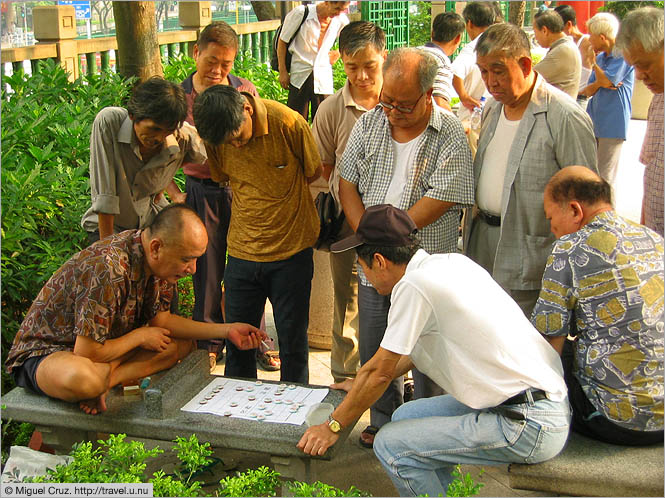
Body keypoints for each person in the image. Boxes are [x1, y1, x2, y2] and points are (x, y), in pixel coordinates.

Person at [297, 205, 570, 498]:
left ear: (379, 261)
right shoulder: (450, 263)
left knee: (390, 445)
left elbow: (381, 372)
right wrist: (358, 384)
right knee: (406, 417)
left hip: (527, 423)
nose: (364, 275)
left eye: (362, 266)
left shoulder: (414, 286)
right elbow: (401, 357)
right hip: (538, 405)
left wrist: (333, 425)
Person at [6, 204, 265, 415]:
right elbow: (87, 352)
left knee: (181, 346)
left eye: (196, 259)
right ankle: (99, 384)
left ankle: (108, 380)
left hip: (104, 352)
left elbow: (163, 321)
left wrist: (227, 329)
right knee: (86, 379)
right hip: (48, 354)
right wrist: (139, 337)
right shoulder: (108, 267)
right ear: (156, 247)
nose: (193, 269)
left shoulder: (159, 264)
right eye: (187, 259)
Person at [339, 47, 474, 448]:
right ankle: (382, 419)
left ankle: (428, 422)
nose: (393, 111)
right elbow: (347, 182)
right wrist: (366, 230)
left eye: (404, 104)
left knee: (427, 346)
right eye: (388, 101)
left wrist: (392, 232)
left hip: (424, 261)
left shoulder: (448, 131)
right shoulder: (370, 125)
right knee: (376, 342)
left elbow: (444, 196)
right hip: (376, 260)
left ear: (428, 94)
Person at [465, 23, 597, 318]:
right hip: (482, 239)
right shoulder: (492, 109)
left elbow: (588, 202)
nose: (490, 82)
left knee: (521, 342)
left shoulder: (562, 115)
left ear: (525, 65)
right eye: (483, 72)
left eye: (498, 71)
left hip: (531, 251)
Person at [193, 85, 321, 384]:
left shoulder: (288, 123)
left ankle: (292, 418)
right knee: (238, 344)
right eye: (227, 142)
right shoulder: (217, 133)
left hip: (292, 252)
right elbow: (222, 174)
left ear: (247, 109)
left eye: (237, 137)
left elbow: (313, 172)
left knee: (293, 344)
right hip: (241, 254)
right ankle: (239, 418)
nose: (235, 146)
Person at [532, 166, 663, 446]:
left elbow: (548, 342)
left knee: (538, 351)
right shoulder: (653, 238)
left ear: (575, 211)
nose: (553, 231)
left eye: (552, 219)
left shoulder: (569, 248)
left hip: (615, 421)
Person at [177, 22, 277, 371]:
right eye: (212, 60)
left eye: (227, 63)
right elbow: (162, 153)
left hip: (242, 190)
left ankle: (257, 340)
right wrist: (174, 194)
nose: (218, 70)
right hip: (201, 191)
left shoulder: (244, 91)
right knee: (205, 269)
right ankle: (209, 341)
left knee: (251, 265)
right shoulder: (181, 97)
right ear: (196, 53)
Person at [311, 21, 386, 384]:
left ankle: (390, 372)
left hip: (398, 221)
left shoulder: (400, 101)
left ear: (384, 56)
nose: (361, 76)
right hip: (346, 221)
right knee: (349, 296)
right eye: (351, 67)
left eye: (369, 66)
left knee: (397, 296)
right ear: (340, 61)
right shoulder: (330, 110)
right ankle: (345, 374)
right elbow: (323, 168)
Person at [80, 77, 206, 244]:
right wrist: (107, 253)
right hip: (109, 228)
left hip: (149, 228)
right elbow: (105, 198)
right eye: (154, 129)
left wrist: (166, 177)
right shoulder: (109, 123)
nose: (159, 138)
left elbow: (202, 151)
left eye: (167, 131)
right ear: (133, 115)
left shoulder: (180, 135)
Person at [616, 7, 664, 237]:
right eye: (634, 66)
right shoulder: (658, 101)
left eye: (645, 64)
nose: (639, 75)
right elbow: (652, 172)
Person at [579, 12, 634, 191]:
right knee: (593, 174)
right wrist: (601, 81)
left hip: (613, 123)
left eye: (591, 36)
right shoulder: (603, 57)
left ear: (602, 37)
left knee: (605, 177)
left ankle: (607, 217)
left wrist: (594, 65)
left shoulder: (623, 56)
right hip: (595, 119)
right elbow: (594, 85)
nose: (589, 40)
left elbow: (607, 81)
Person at [277, 1, 350, 121]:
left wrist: (338, 53)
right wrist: (283, 71)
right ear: (327, 2)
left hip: (323, 78)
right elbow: (282, 41)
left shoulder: (341, 21)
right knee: (295, 122)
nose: (338, 13)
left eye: (343, 10)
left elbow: (348, 42)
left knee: (324, 121)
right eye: (336, 9)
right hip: (300, 74)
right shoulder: (301, 14)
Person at [451, 2, 497, 122]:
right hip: (496, 115)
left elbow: (455, 72)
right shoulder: (501, 43)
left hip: (473, 118)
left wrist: (464, 97)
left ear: (469, 23)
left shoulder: (473, 48)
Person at [419, 12, 465, 111]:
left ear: (432, 33)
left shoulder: (412, 52)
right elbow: (439, 102)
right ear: (458, 39)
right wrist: (457, 125)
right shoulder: (441, 62)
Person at [553, 4, 595, 110]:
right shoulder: (562, 44)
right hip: (563, 99)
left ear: (568, 24)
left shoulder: (587, 42)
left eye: (558, 28)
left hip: (580, 100)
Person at [533, 9, 582, 99]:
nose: (535, 37)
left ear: (544, 30)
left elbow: (527, 78)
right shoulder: (565, 47)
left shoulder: (563, 50)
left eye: (535, 32)